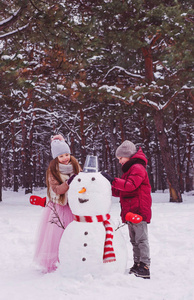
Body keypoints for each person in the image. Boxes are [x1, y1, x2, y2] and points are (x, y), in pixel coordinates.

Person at [101, 140, 152, 279]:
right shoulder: (130, 169)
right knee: (134, 240)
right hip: (130, 211)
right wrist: (107, 187)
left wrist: (113, 180)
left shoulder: (138, 168)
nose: (119, 161)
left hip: (139, 210)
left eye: (121, 158)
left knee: (141, 240)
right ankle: (137, 264)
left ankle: (145, 266)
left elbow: (130, 186)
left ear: (128, 155)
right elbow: (123, 191)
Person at [34, 134, 81, 273]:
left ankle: (73, 258)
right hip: (59, 208)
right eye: (61, 156)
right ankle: (56, 261)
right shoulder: (53, 171)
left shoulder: (76, 166)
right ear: (56, 158)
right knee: (58, 234)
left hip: (73, 207)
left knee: (73, 234)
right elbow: (56, 190)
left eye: (67, 154)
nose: (65, 158)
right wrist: (68, 183)